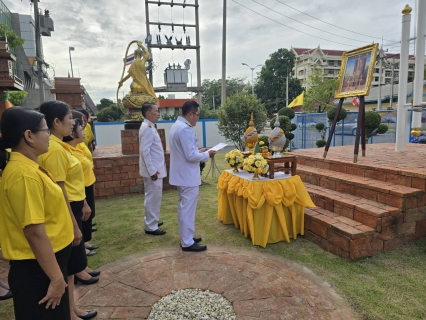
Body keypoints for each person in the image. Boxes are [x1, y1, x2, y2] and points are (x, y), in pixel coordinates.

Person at [0, 107, 74, 319]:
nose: (49, 136)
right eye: (45, 130)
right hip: (38, 270)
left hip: (46, 263)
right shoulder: (24, 176)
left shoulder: (30, 168)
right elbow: (34, 232)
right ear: (29, 136)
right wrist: (57, 279)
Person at [39, 101, 97, 320]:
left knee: (71, 268)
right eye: (69, 118)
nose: (73, 122)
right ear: (56, 122)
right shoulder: (53, 149)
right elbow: (61, 189)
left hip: (71, 204)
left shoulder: (58, 145)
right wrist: (74, 224)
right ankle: (70, 312)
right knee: (67, 267)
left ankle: (73, 309)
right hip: (67, 207)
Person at [169, 101, 216, 252]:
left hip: (183, 175)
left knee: (185, 208)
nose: (197, 118)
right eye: (197, 115)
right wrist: (207, 154)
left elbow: (187, 151)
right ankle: (187, 242)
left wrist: (200, 151)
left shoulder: (177, 126)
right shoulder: (185, 129)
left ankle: (187, 236)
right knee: (187, 209)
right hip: (187, 176)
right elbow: (190, 156)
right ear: (190, 114)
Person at [139, 102, 166, 235]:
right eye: (156, 111)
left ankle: (152, 220)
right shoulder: (147, 128)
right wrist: (152, 171)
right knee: (152, 198)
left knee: (154, 197)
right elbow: (146, 152)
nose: (158, 113)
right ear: (148, 113)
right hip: (153, 171)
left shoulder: (149, 126)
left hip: (155, 170)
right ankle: (151, 226)